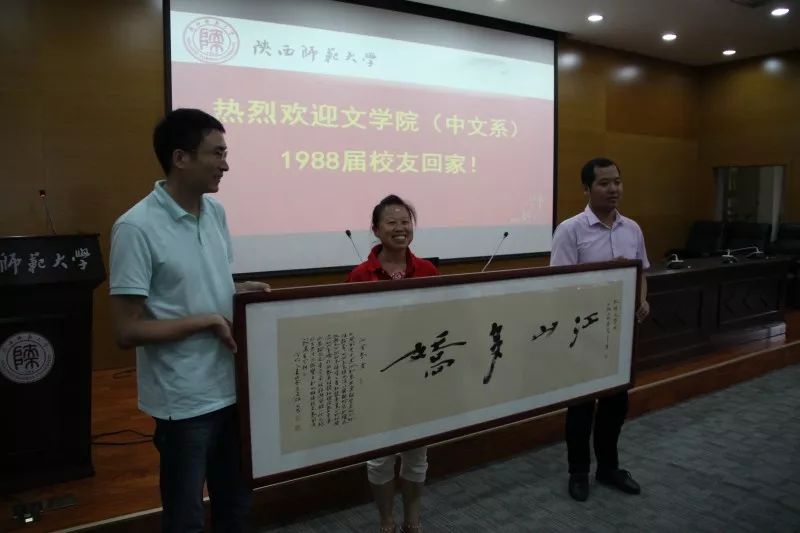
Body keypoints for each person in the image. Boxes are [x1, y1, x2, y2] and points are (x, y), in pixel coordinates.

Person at [109, 108, 268, 532]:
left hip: (232, 386)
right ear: (180, 158)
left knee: (236, 506)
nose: (225, 165)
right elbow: (126, 330)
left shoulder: (215, 213)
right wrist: (206, 321)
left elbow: (198, 284)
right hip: (184, 402)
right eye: (216, 153)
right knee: (186, 517)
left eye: (225, 153)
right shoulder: (136, 227)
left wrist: (238, 291)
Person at [550, 157, 650, 502]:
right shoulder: (570, 230)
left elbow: (641, 272)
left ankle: (608, 467)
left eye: (617, 182)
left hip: (619, 333)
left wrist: (642, 299)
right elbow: (560, 285)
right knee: (581, 408)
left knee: (615, 406)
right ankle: (578, 472)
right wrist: (607, 274)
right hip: (583, 334)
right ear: (587, 189)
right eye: (604, 183)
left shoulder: (632, 228)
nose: (613, 189)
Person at [346, 194, 438, 533]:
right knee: (379, 458)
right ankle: (386, 520)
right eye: (392, 222)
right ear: (376, 229)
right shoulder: (360, 275)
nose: (400, 228)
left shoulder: (427, 270)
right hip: (377, 382)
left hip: (419, 379)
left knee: (417, 455)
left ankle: (412, 518)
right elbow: (350, 330)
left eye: (405, 222)